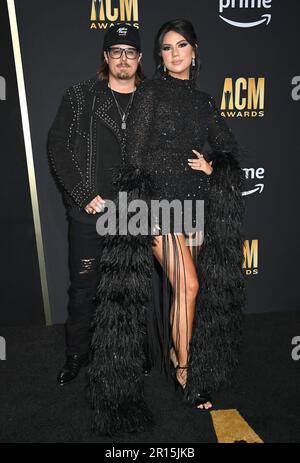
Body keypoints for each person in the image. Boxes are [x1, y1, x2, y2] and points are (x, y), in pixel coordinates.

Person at [88, 19, 246, 435]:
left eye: (181, 46)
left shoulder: (205, 101)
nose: (174, 54)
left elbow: (228, 146)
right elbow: (135, 154)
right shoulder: (151, 92)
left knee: (183, 290)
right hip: (158, 206)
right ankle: (185, 370)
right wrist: (142, 207)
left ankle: (180, 351)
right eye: (166, 48)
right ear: (159, 56)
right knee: (189, 285)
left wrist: (214, 167)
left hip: (193, 207)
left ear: (194, 51)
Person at [47, 24, 145, 386]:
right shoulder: (79, 96)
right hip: (90, 211)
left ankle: (134, 350)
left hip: (134, 211)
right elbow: (57, 146)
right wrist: (83, 193)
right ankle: (77, 354)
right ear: (105, 56)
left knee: (132, 288)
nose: (123, 59)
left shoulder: (151, 98)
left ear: (139, 58)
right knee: (84, 288)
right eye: (116, 51)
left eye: (130, 52)